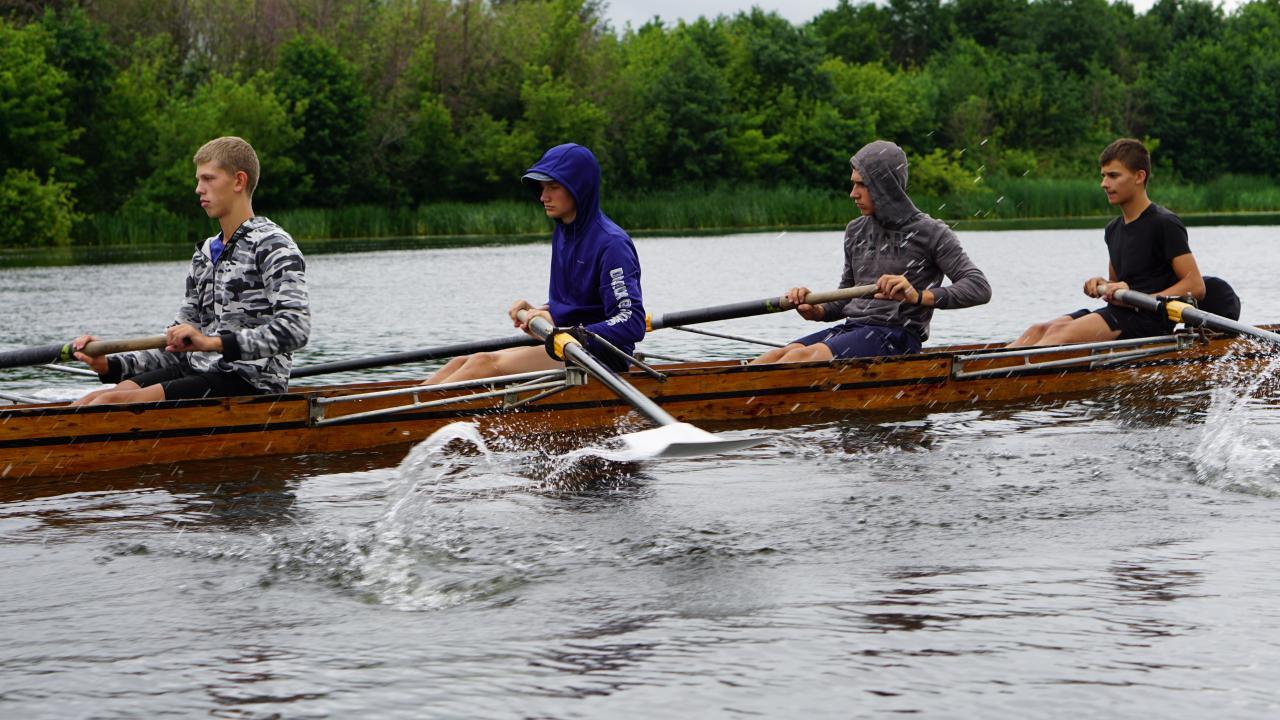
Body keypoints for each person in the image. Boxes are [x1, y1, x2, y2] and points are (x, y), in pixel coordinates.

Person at [71, 136, 310, 405]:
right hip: (198, 369)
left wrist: (211, 344)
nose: (198, 189)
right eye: (198, 180)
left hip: (248, 381)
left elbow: (296, 329)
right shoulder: (205, 253)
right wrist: (110, 365)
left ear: (239, 181)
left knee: (108, 404)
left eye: (208, 179)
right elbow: (176, 345)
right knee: (91, 400)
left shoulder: (273, 245)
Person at [751, 140, 991, 364]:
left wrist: (917, 296)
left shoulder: (932, 232)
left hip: (897, 336)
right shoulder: (856, 230)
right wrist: (818, 310)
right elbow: (846, 297)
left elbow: (979, 287)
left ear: (885, 186)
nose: (853, 193)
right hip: (853, 329)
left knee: (801, 358)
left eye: (862, 184)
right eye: (853, 183)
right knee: (774, 356)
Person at [423, 143, 644, 384]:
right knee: (462, 362)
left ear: (578, 188)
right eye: (541, 187)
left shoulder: (612, 243)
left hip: (601, 357)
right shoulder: (563, 233)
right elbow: (581, 305)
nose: (543, 197)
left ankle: (409, 419)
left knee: (482, 364)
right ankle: (401, 415)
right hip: (566, 345)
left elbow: (631, 321)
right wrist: (546, 311)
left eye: (553, 187)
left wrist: (570, 332)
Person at [1008, 138, 1204, 347]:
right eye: (1103, 176)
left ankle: (1014, 377)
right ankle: (989, 375)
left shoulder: (1164, 223)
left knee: (1059, 335)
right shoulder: (1113, 229)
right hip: (1121, 313)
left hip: (1148, 320)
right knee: (1037, 330)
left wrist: (1141, 298)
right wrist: (1102, 284)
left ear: (1139, 176)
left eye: (1113, 176)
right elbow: (1118, 285)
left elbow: (1196, 286)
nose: (1104, 184)